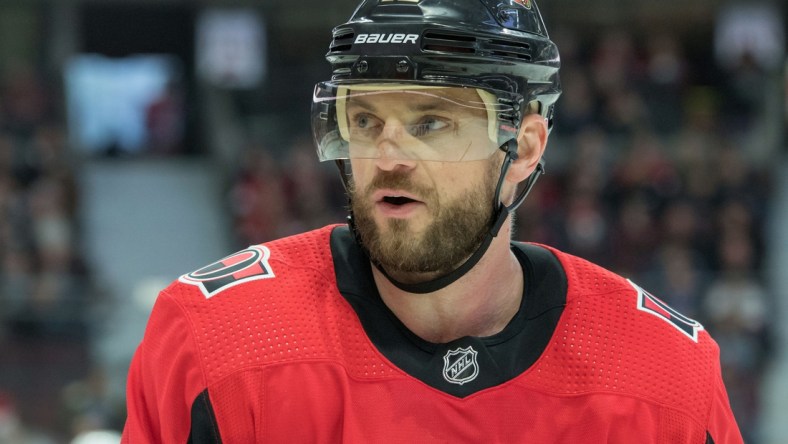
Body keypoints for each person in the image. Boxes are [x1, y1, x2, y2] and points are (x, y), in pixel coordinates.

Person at [122, 0, 743, 442]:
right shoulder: (217, 338)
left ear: (523, 146)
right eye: (364, 121)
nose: (388, 158)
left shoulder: (665, 378)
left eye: (431, 123)